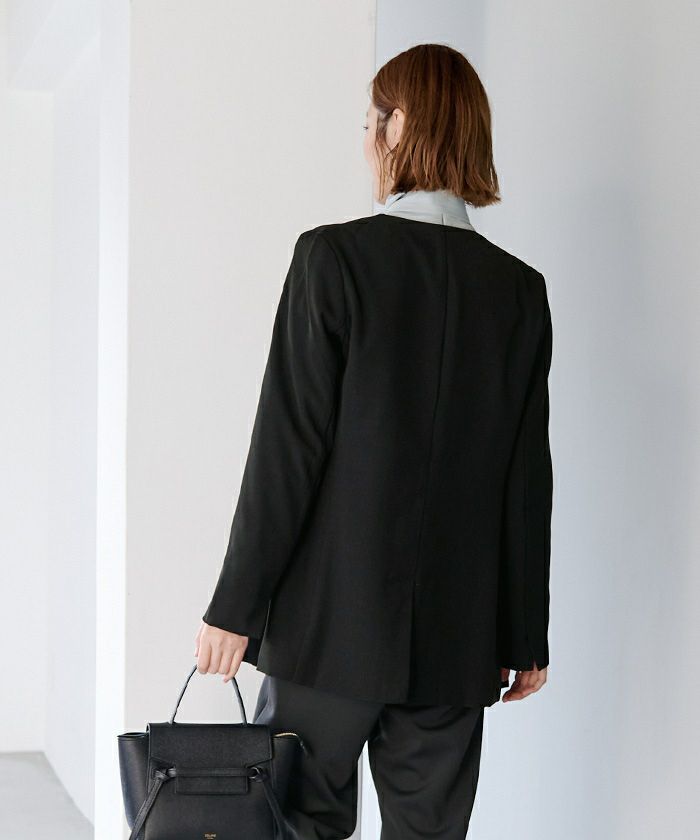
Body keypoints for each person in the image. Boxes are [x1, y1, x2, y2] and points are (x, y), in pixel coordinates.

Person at [195, 42, 553, 840]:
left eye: (369, 123)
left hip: (326, 634)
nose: (365, 142)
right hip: (457, 641)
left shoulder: (333, 260)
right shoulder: (519, 293)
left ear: (399, 127)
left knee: (297, 826)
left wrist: (235, 607)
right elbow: (526, 480)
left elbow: (287, 451)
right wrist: (524, 632)